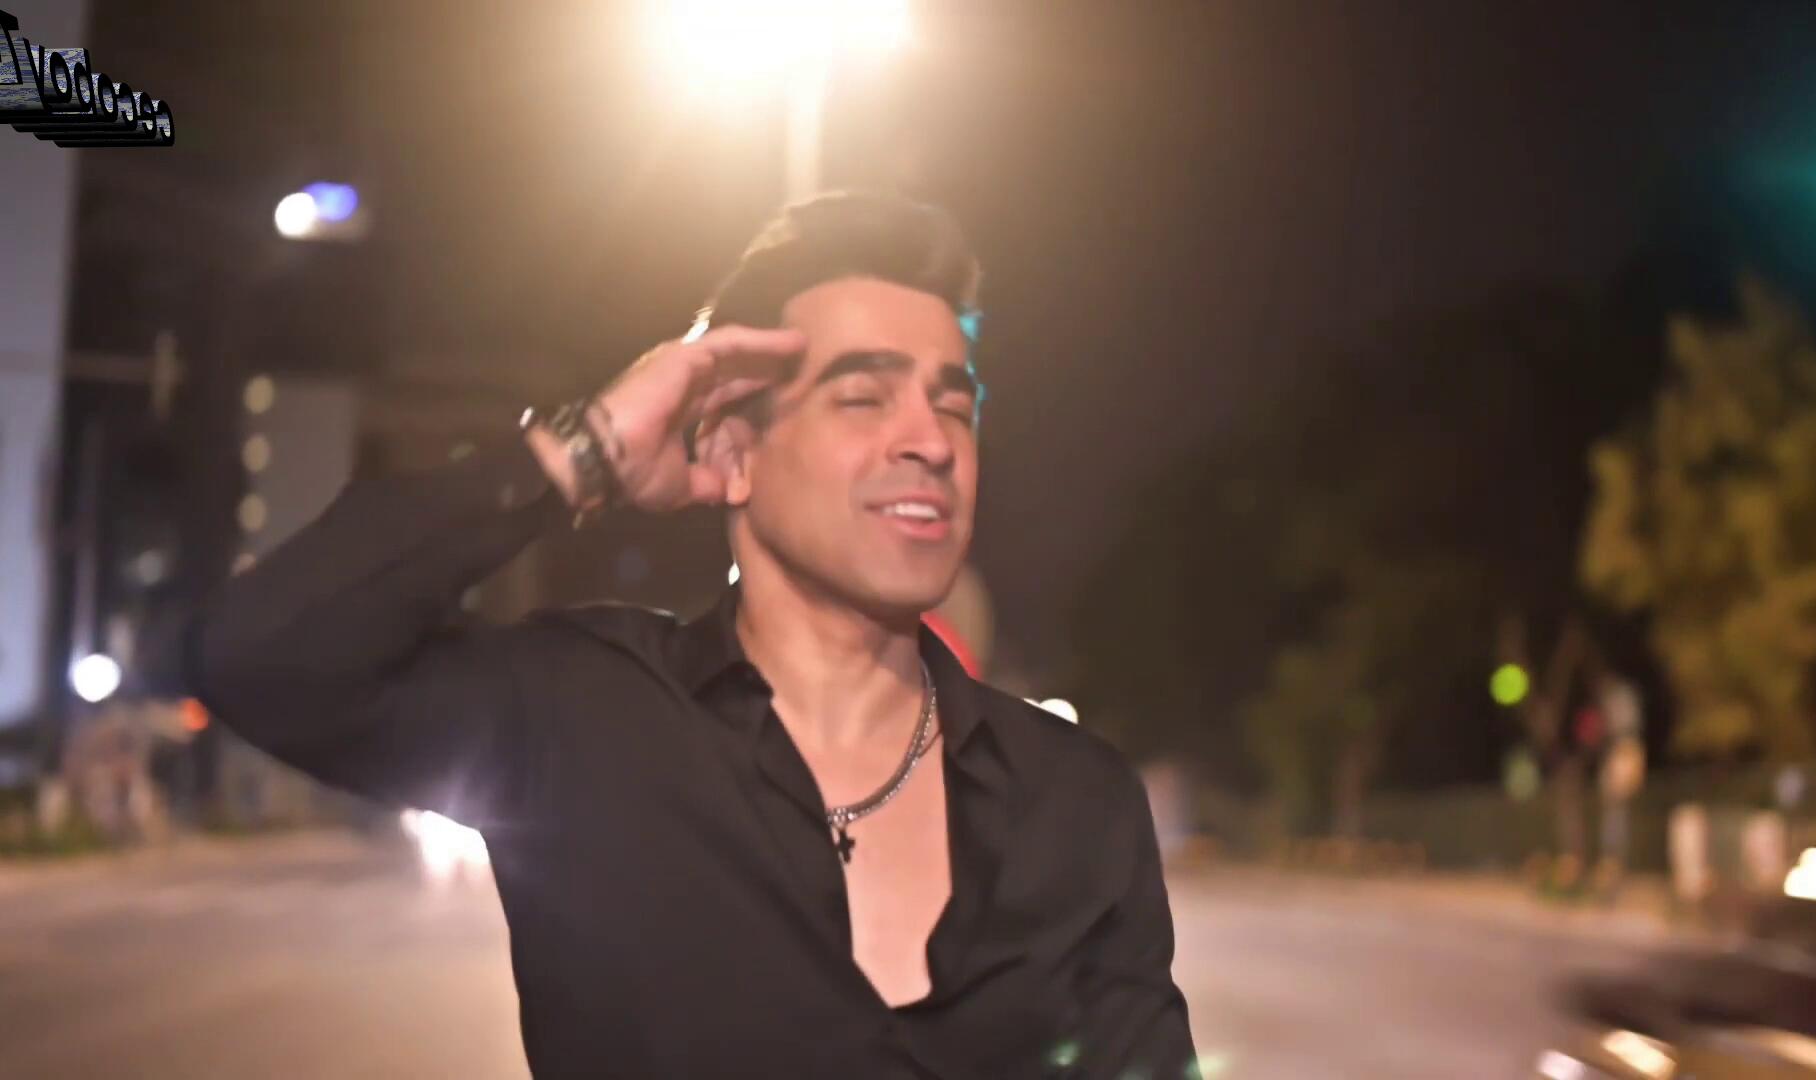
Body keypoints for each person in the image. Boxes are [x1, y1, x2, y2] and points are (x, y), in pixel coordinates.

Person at [185, 192, 1198, 1079]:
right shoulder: (585, 717)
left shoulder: (1078, 801)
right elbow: (259, 654)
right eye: (862, 396)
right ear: (730, 450)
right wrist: (584, 454)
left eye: (953, 405)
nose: (930, 441)